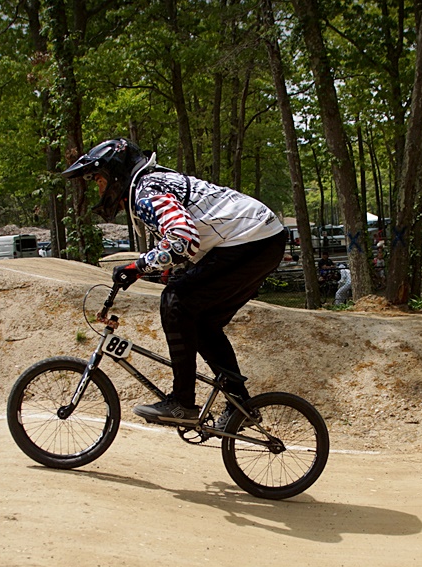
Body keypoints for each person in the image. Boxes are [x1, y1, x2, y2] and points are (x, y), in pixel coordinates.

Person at [65, 138, 286, 427]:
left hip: (251, 239)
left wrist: (137, 266)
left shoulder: (146, 192)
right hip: (262, 240)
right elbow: (183, 242)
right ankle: (240, 405)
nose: (99, 190)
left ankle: (182, 402)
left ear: (115, 174)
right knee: (202, 322)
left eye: (99, 180)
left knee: (175, 300)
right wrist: (139, 268)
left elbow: (183, 240)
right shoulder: (152, 184)